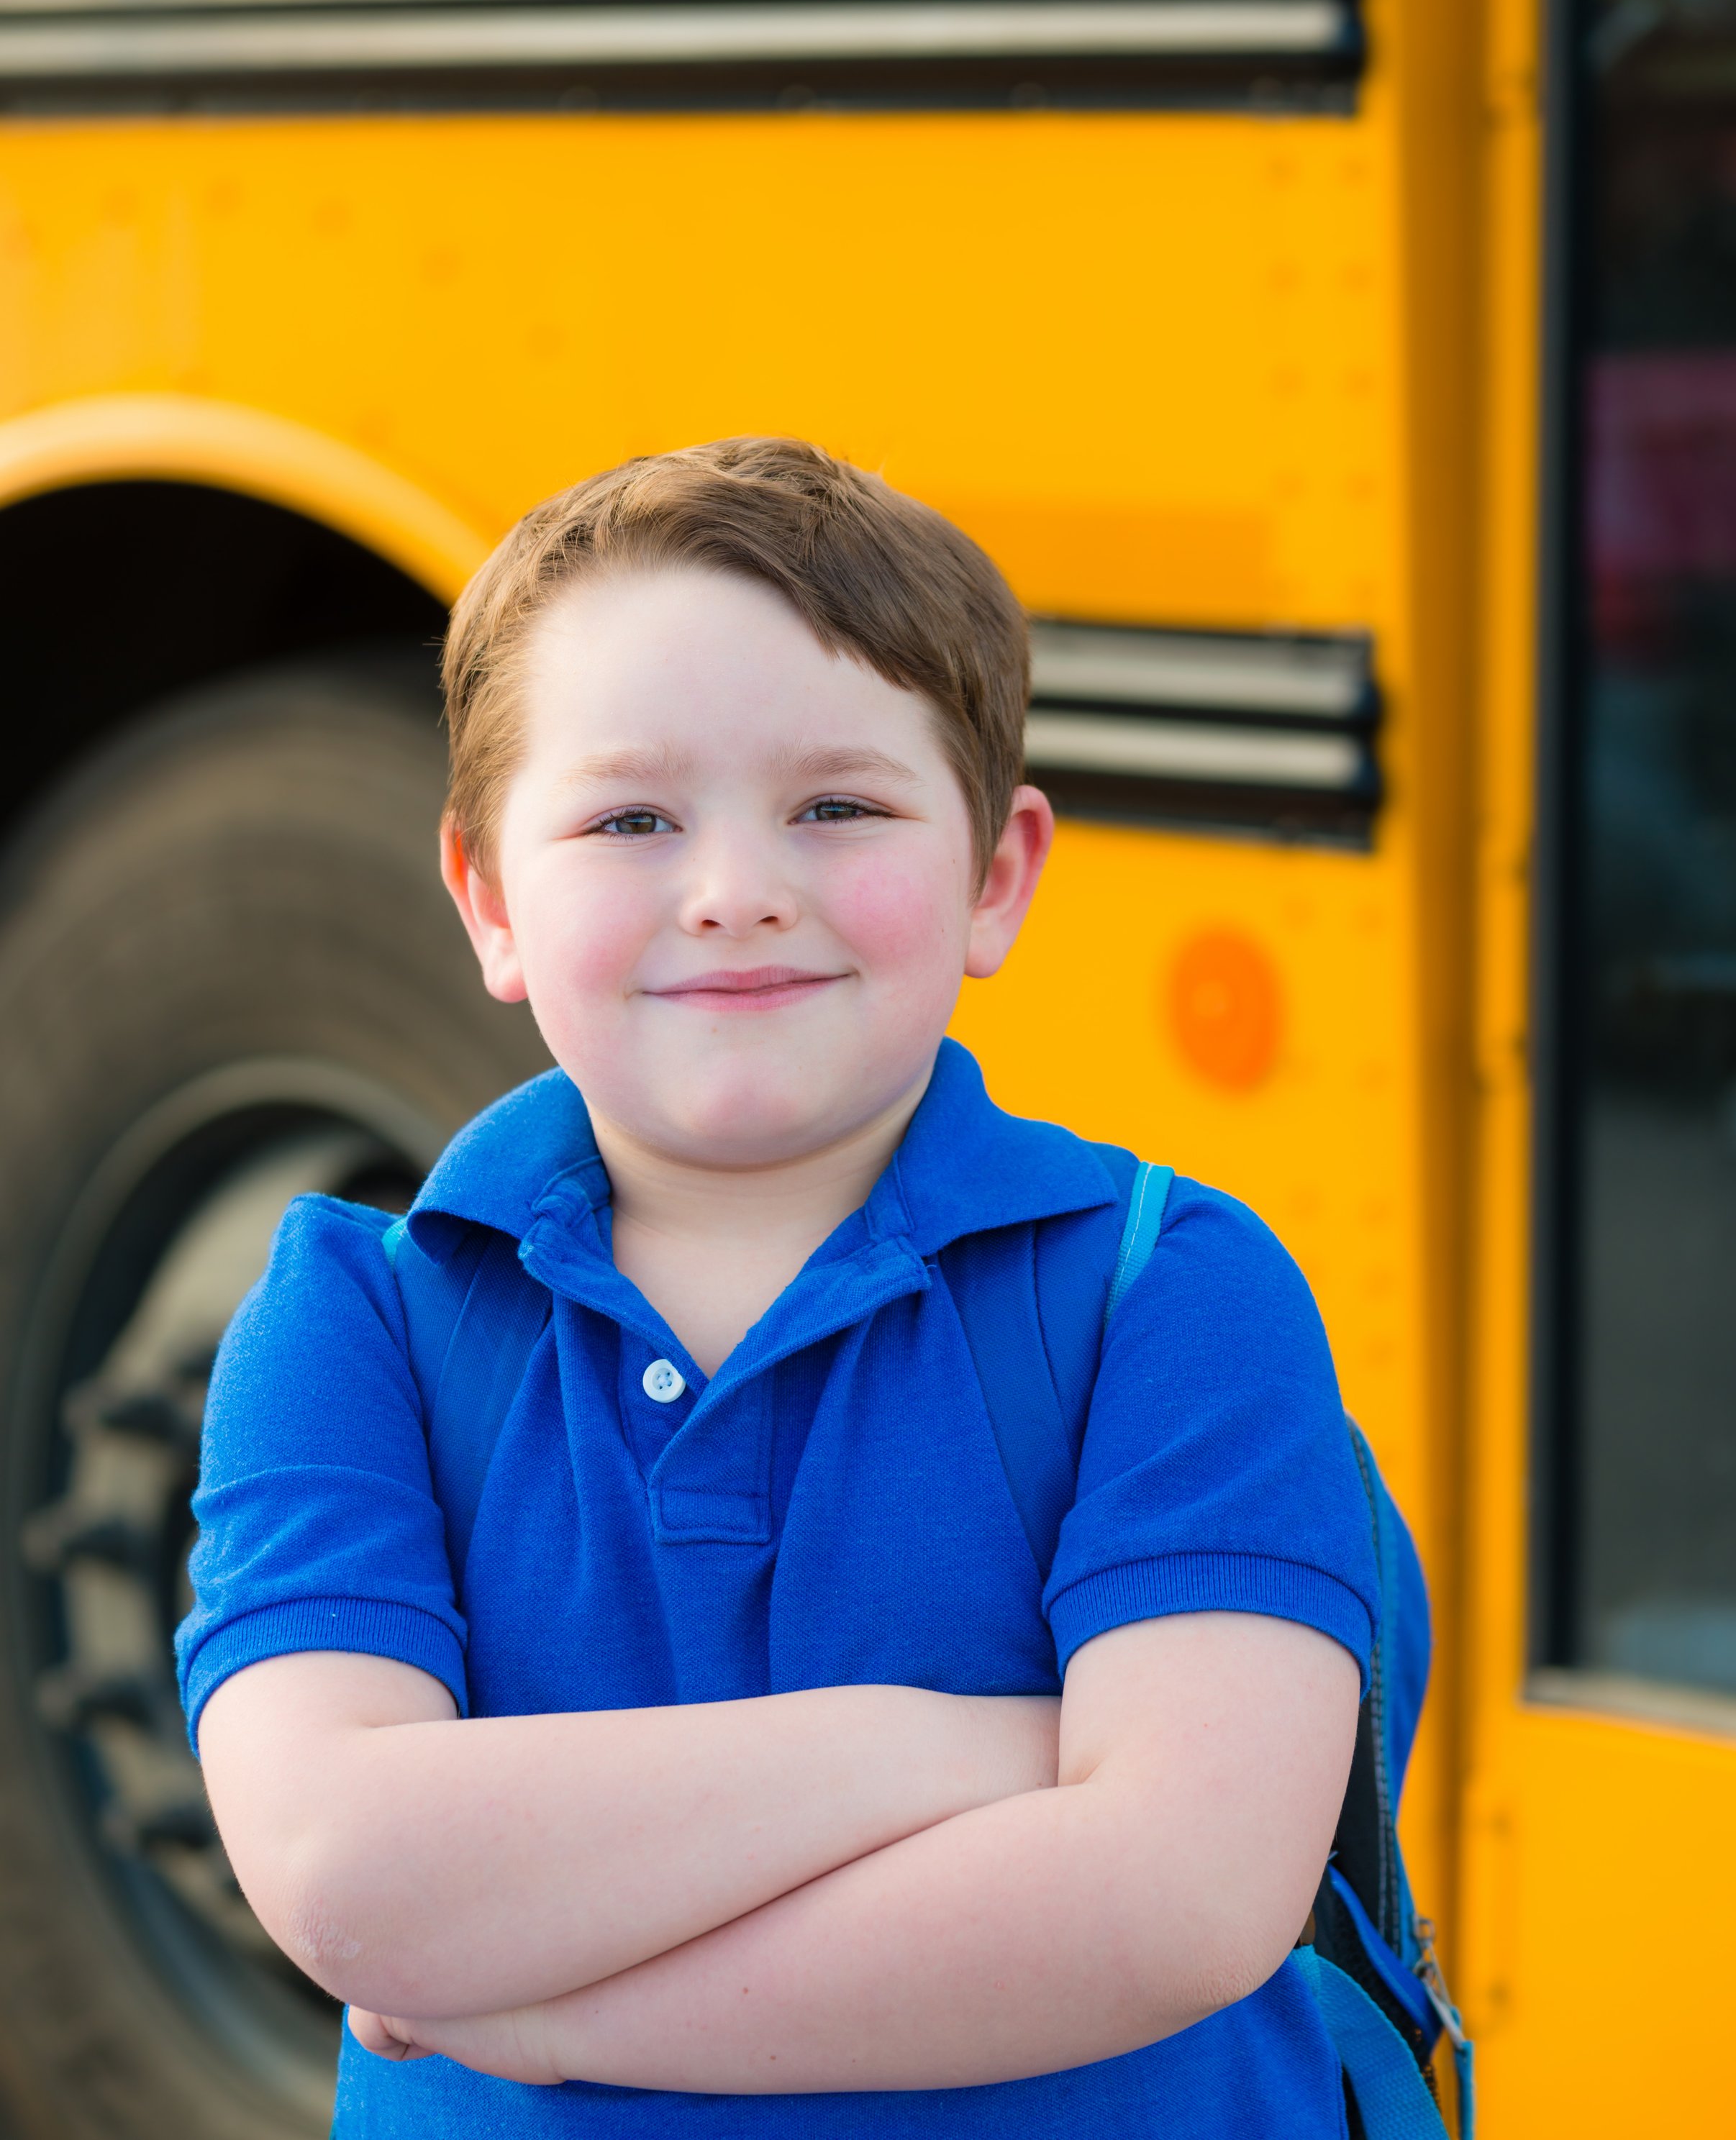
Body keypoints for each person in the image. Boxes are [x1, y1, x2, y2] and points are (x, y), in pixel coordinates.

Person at [179, 437, 1376, 2138]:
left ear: (995, 875)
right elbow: (345, 1870)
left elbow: (1175, 1899)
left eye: (835, 806)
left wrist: (521, 2006)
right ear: (488, 899)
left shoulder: (1166, 1296)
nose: (735, 891)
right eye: (629, 818)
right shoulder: (353, 1322)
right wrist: (953, 1747)